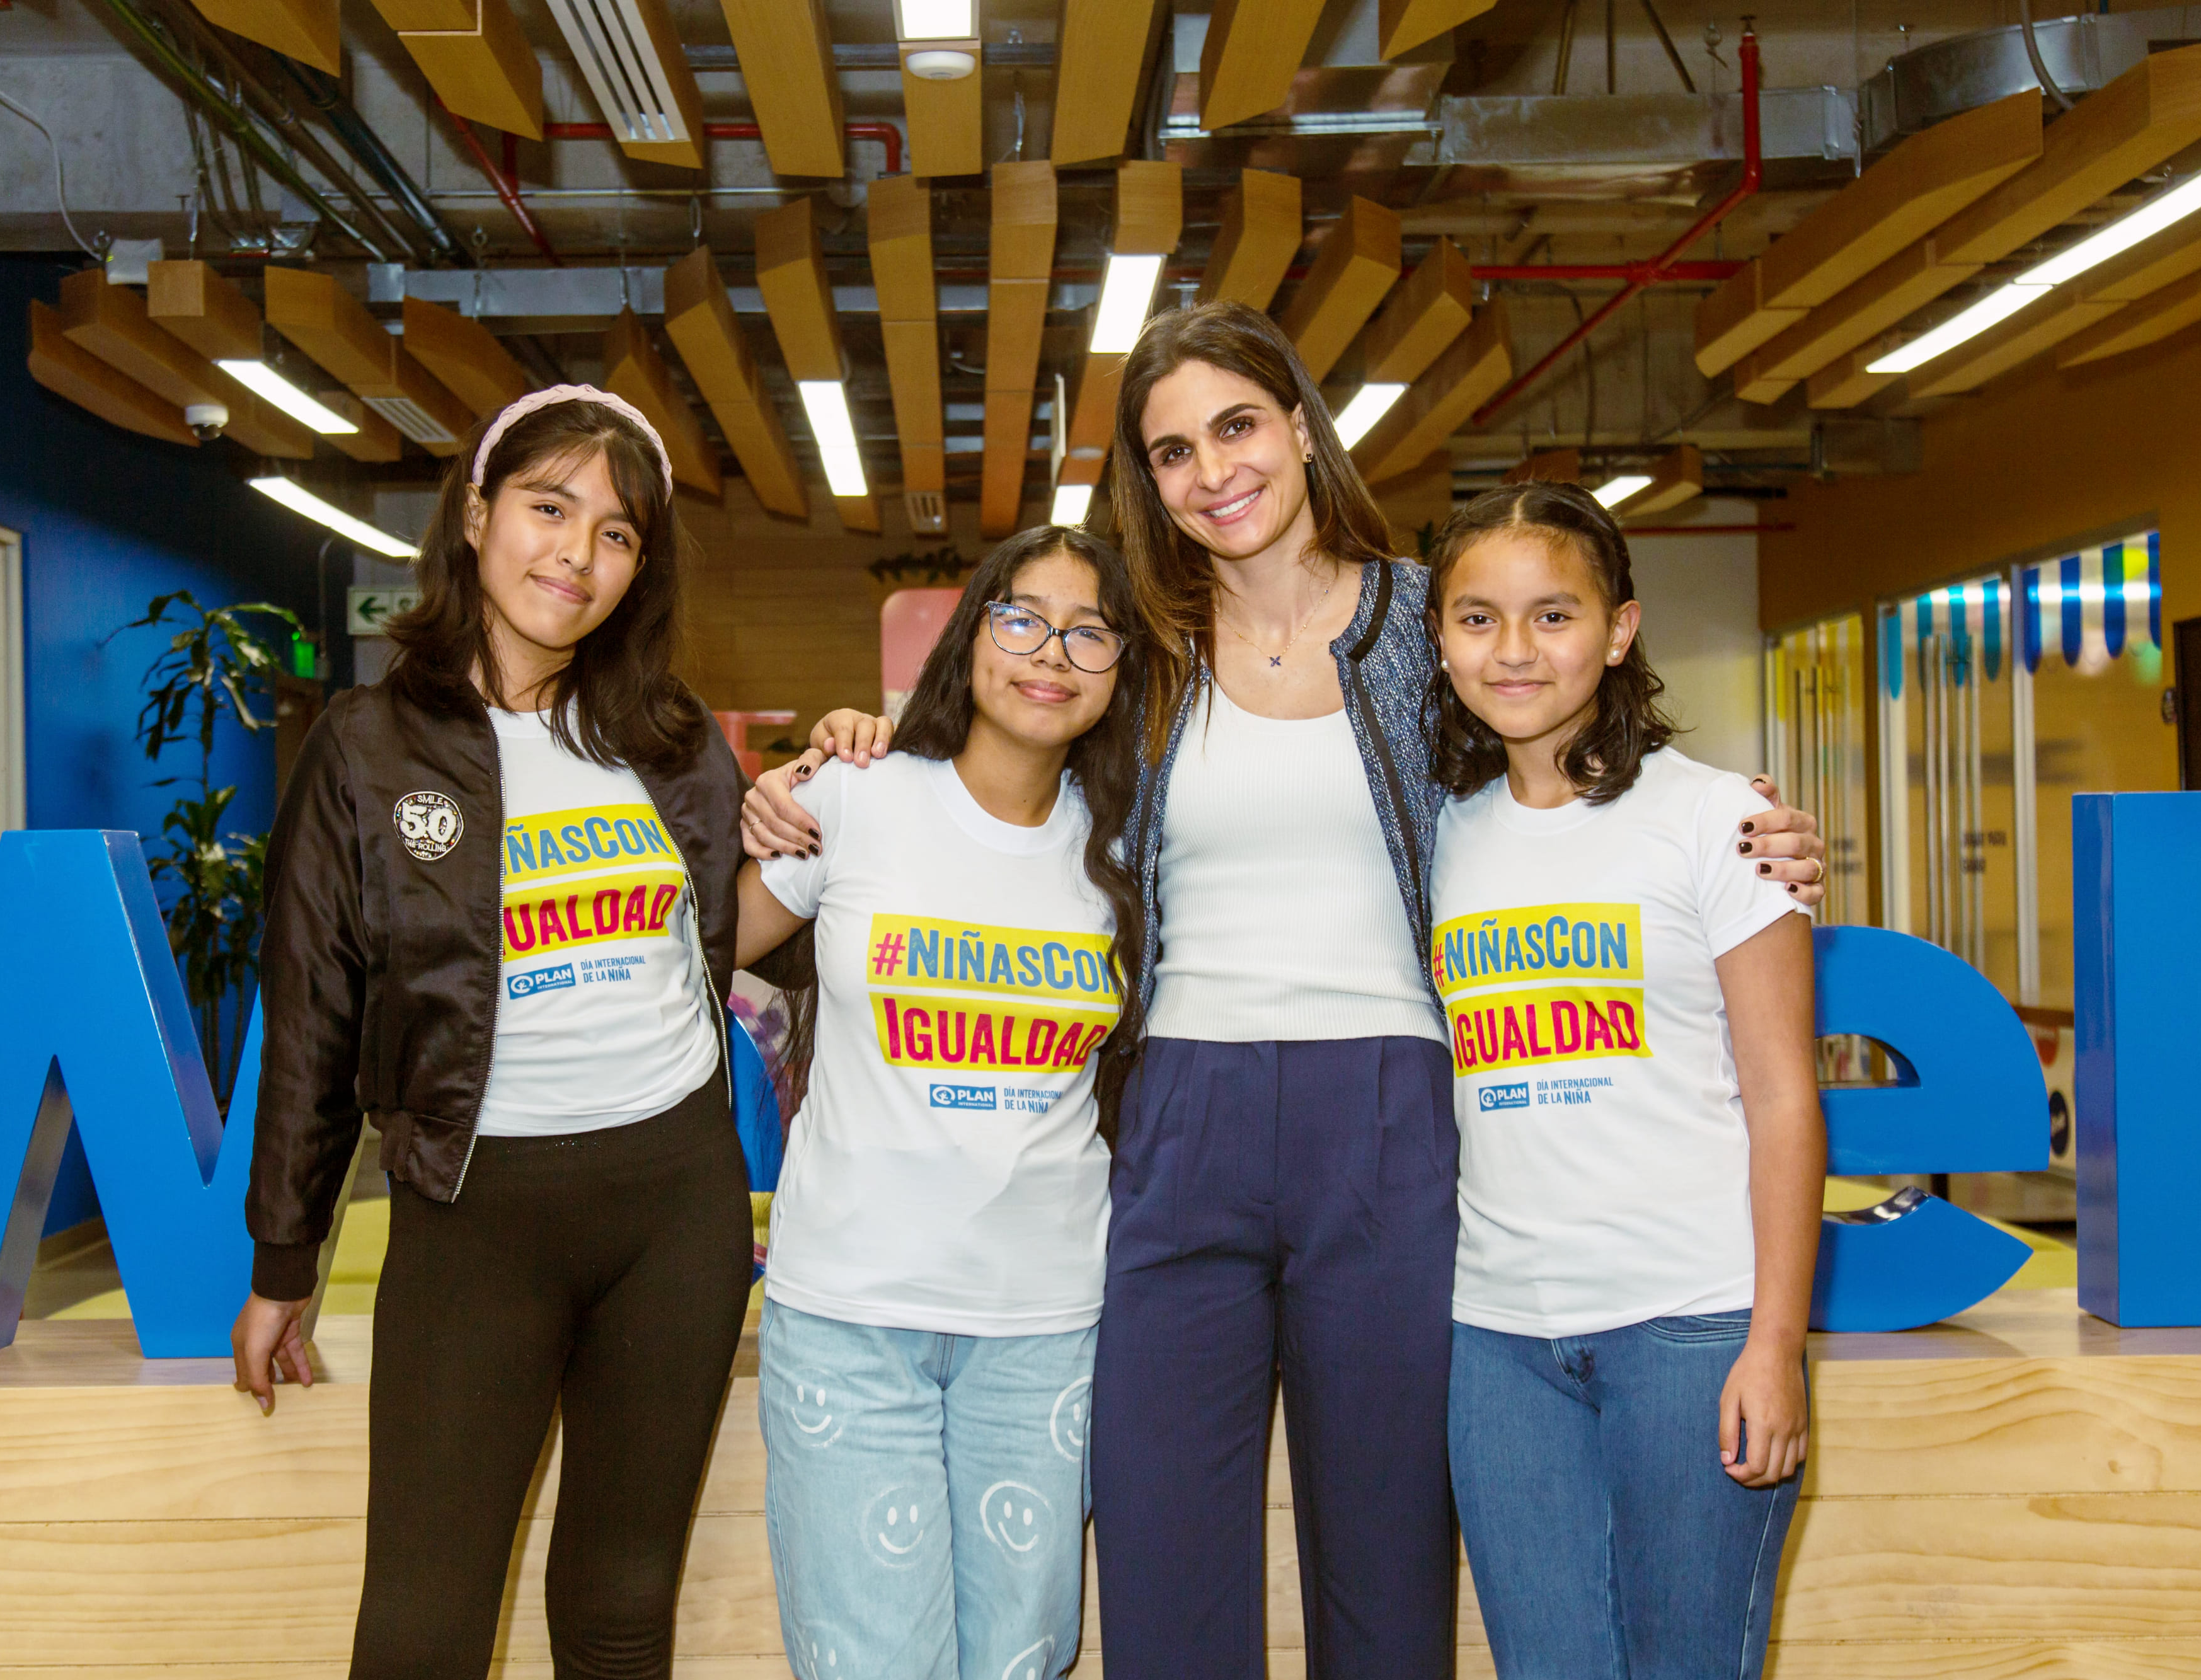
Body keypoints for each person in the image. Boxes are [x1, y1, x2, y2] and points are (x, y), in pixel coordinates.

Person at [745, 301, 1827, 1679]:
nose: (1213, 471)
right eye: (1173, 451)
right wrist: (858, 741)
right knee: (1159, 1546)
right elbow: (1010, 729)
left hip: (1382, 1111)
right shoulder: (1141, 643)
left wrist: (1746, 835)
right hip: (1179, 1112)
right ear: (1151, 483)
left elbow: (1561, 763)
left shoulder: (1416, 623)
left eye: (1236, 426)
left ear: (1301, 430)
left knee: (1382, 1552)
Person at [231, 384, 803, 1680]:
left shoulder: (669, 744)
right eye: (550, 508)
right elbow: (314, 1013)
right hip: (473, 1209)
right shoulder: (367, 749)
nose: (576, 554)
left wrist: (831, 793)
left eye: (616, 533)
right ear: (479, 516)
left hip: (675, 1210)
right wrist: (282, 1260)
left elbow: (715, 942)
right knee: (424, 1627)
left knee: (615, 1613)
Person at [1424, 479, 1822, 1679]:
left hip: (1691, 1329)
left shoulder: (1718, 821)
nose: (1514, 649)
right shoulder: (1436, 835)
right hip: (1499, 1345)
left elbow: (1787, 1098)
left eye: (1554, 614)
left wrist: (1775, 1341)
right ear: (1439, 637)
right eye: (1478, 617)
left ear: (1621, 629)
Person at [731, 526, 1144, 1680]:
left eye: (1090, 631)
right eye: (1021, 617)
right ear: (971, 633)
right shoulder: (861, 798)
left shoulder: (1129, 851)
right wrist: (756, 802)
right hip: (848, 1313)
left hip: (1046, 1319)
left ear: (1122, 670)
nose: (1050, 652)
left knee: (1026, 1656)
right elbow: (690, 950)